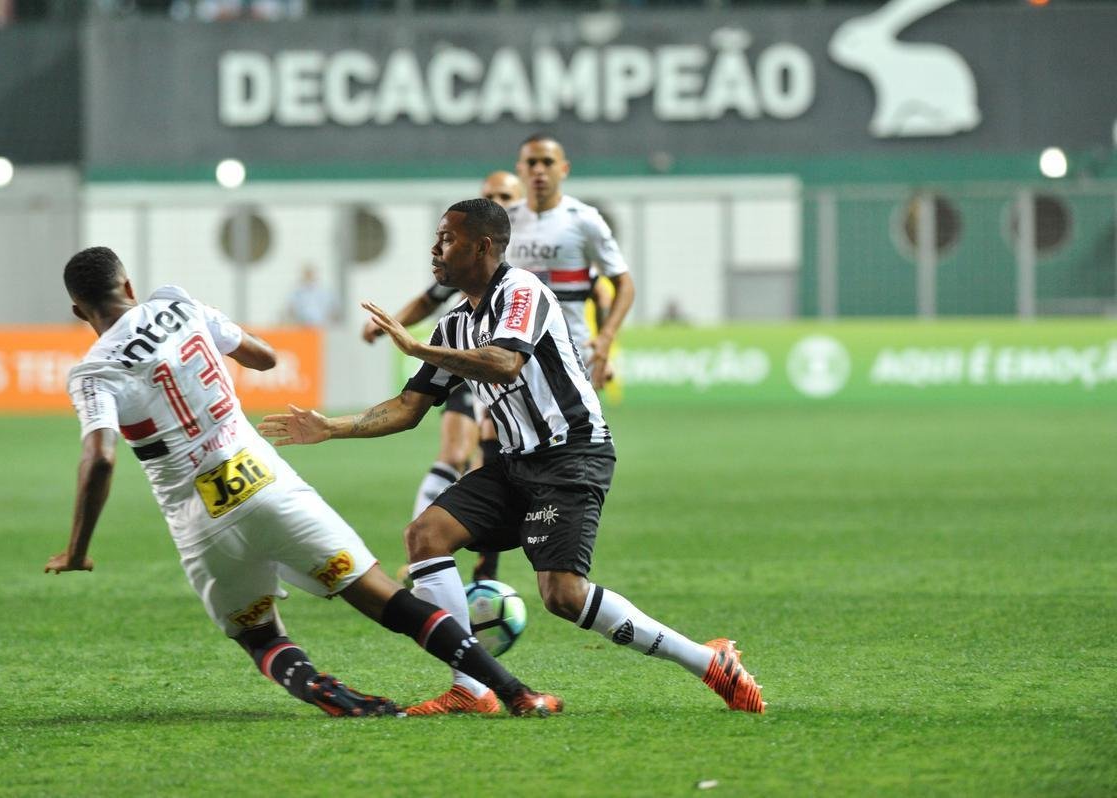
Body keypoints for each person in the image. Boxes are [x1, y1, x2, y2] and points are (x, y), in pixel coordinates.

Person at [258, 200, 765, 715]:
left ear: (482, 246)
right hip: (514, 461)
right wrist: (330, 428)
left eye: (447, 239)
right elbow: (409, 408)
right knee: (425, 535)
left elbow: (504, 363)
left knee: (563, 596)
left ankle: (706, 661)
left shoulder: (522, 290)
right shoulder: (454, 324)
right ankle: (472, 688)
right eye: (436, 239)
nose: (436, 249)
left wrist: (415, 349)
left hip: (571, 455)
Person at [46, 246, 562, 718]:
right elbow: (264, 357)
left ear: (78, 311)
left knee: (257, 633)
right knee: (384, 597)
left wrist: (76, 549)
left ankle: (324, 690)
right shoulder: (178, 305)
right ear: (129, 286)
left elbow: (100, 458)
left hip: (198, 518)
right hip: (266, 480)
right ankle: (516, 692)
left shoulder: (92, 373)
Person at [362, 170, 525, 582]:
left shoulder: (526, 266)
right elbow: (429, 299)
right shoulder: (467, 251)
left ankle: (485, 571)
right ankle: (428, 550)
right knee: (454, 452)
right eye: (490, 194)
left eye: (505, 194)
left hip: (513, 368)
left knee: (494, 454)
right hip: (465, 363)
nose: (498, 199)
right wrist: (390, 323)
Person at [508, 133, 636, 390]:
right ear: (520, 169)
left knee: (575, 431)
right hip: (515, 355)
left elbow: (625, 285)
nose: (539, 170)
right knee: (506, 431)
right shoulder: (505, 222)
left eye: (548, 162)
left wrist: (606, 337)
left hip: (571, 354)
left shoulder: (584, 220)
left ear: (563, 169)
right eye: (532, 163)